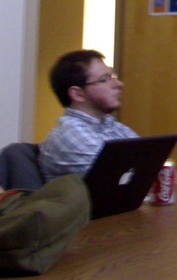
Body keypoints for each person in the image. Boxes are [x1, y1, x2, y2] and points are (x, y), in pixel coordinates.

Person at [39, 49, 138, 182]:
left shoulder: (111, 125)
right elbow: (122, 181)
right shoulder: (70, 133)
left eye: (112, 76)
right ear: (78, 94)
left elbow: (161, 170)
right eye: (104, 80)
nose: (119, 84)